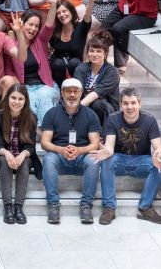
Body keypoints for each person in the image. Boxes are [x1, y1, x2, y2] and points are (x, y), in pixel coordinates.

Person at [92, 88, 161, 225]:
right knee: (108, 161)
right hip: (120, 159)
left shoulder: (149, 120)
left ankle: (145, 208)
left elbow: (159, 147)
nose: (130, 107)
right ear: (121, 105)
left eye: (133, 103)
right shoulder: (113, 119)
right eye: (126, 103)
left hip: (141, 161)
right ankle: (109, 208)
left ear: (139, 103)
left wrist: (157, 156)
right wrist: (106, 152)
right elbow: (109, 147)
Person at [40, 77, 101, 224]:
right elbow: (44, 142)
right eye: (69, 91)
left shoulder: (90, 114)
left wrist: (80, 150)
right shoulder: (51, 113)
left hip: (82, 156)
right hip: (59, 155)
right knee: (48, 159)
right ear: (62, 93)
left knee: (93, 160)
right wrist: (60, 150)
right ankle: (53, 204)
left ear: (81, 94)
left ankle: (86, 205)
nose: (72, 95)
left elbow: (95, 144)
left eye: (76, 91)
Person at [0, 83, 40, 225]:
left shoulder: (31, 118)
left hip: (22, 155)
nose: (16, 102)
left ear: (25, 101)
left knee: (24, 163)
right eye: (13, 98)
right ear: (7, 98)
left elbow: (31, 146)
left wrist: (22, 155)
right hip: (1, 156)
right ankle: (8, 207)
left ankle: (18, 207)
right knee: (5, 161)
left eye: (20, 99)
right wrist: (7, 154)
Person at [10, 7, 60, 124]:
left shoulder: (40, 41)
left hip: (45, 86)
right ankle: (35, 132)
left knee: (45, 95)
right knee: (28, 101)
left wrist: (52, 4)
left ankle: (45, 131)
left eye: (36, 26)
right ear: (22, 23)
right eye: (30, 24)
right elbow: (8, 70)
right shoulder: (11, 45)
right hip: (25, 87)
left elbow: (49, 25)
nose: (33, 29)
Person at [73, 30, 121, 125]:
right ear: (87, 52)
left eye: (99, 51)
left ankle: (103, 135)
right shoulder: (81, 67)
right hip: (85, 106)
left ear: (105, 54)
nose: (94, 55)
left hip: (106, 111)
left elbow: (97, 93)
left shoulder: (112, 72)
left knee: (98, 103)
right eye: (91, 51)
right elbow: (77, 89)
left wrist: (78, 108)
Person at [48, 0, 94, 87]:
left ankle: (77, 89)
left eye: (64, 11)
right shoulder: (55, 31)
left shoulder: (81, 27)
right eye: (58, 13)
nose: (62, 15)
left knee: (74, 62)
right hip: (58, 66)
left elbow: (87, 15)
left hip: (76, 66)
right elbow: (50, 47)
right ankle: (60, 90)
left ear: (71, 11)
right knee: (58, 63)